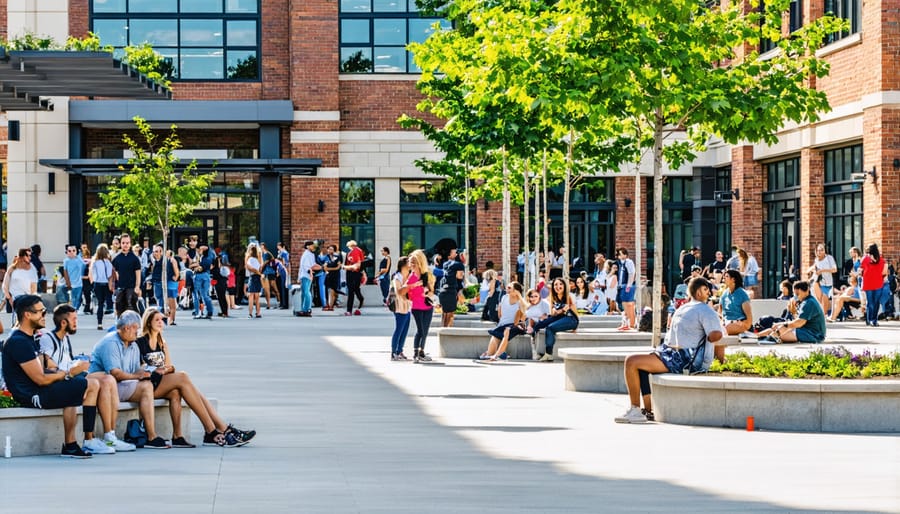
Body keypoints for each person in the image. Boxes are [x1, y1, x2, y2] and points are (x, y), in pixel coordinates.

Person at [1, 295, 108, 457]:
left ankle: (82, 441)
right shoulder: (18, 342)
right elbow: (40, 378)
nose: (45, 315)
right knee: (83, 384)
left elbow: (46, 369)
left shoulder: (31, 338)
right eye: (41, 312)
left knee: (84, 382)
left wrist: (65, 373)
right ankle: (74, 443)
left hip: (40, 388)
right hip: (32, 395)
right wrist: (68, 373)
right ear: (27, 315)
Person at [135, 308, 254, 447]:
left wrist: (165, 370)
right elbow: (140, 368)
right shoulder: (140, 342)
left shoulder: (162, 342)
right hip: (148, 385)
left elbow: (169, 366)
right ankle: (214, 430)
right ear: (148, 323)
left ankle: (178, 436)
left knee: (176, 392)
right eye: (157, 320)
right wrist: (160, 370)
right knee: (183, 377)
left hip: (162, 381)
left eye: (162, 320)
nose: (161, 323)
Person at [616, 277, 723, 424]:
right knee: (640, 367)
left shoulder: (701, 310)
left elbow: (715, 335)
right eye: (705, 289)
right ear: (698, 292)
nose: (708, 292)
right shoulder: (690, 309)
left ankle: (635, 409)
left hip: (687, 359)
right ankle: (647, 411)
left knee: (632, 361)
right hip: (675, 354)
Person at [38, 303, 136, 453]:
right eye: (74, 319)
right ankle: (89, 439)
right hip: (62, 378)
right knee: (95, 383)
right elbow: (49, 367)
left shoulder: (65, 338)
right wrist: (74, 369)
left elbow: (66, 361)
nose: (77, 322)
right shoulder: (48, 339)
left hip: (71, 374)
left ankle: (110, 435)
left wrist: (79, 363)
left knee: (108, 379)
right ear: (63, 322)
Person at [89, 310, 172, 449]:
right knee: (129, 383)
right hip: (104, 388)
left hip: (121, 386)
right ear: (127, 328)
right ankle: (110, 437)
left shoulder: (133, 344)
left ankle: (151, 436)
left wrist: (149, 371)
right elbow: (115, 374)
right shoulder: (111, 342)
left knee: (147, 386)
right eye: (136, 329)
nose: (137, 333)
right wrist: (138, 376)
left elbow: (135, 370)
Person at [531, 278, 579, 362]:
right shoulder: (553, 297)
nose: (558, 286)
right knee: (538, 325)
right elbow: (553, 313)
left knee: (550, 328)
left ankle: (548, 354)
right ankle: (534, 350)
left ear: (564, 286)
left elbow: (575, 312)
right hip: (559, 317)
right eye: (555, 284)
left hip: (571, 319)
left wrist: (576, 327)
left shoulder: (569, 296)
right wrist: (554, 311)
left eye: (560, 284)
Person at [478, 282, 526, 361]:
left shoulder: (521, 301)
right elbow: (500, 313)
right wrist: (502, 322)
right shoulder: (504, 297)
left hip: (514, 325)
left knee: (498, 333)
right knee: (496, 334)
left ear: (516, 290)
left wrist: (519, 296)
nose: (507, 289)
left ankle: (491, 354)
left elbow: (524, 315)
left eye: (510, 288)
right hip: (503, 324)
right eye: (507, 287)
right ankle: (495, 354)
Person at [717, 269, 752, 361]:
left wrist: (746, 325)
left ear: (733, 279)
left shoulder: (742, 294)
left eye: (727, 276)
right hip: (725, 322)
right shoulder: (724, 294)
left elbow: (748, 315)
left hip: (739, 323)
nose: (724, 278)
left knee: (720, 331)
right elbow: (720, 311)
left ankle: (720, 358)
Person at [408, 249, 435, 362]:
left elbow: (431, 291)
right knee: (420, 330)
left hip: (427, 306)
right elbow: (409, 295)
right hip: (417, 307)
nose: (412, 264)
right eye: (411, 262)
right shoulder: (411, 277)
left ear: (420, 262)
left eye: (414, 262)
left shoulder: (426, 275)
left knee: (425, 330)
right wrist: (416, 289)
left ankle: (421, 352)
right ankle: (415, 353)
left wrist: (427, 291)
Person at [3, 248, 38, 323]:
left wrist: (33, 300)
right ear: (21, 256)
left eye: (30, 255)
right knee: (18, 322)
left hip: (28, 299)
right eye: (27, 255)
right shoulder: (12, 268)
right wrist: (9, 299)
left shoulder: (32, 268)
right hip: (16, 299)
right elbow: (5, 285)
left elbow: (34, 286)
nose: (29, 257)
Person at [111, 233, 143, 317]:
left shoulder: (135, 259)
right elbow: (113, 274)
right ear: (120, 244)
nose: (125, 245)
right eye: (123, 243)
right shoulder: (116, 259)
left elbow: (138, 274)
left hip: (131, 287)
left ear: (130, 244)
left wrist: (137, 286)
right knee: (119, 309)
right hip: (120, 288)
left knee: (131, 308)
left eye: (127, 243)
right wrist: (112, 286)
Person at [149, 245, 180, 326]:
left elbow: (176, 271)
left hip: (167, 283)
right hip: (157, 283)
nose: (154, 253)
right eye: (154, 251)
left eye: (157, 251)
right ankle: (164, 320)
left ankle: (168, 320)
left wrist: (175, 278)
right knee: (160, 301)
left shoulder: (168, 260)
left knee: (168, 303)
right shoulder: (154, 260)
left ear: (161, 252)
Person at [859, 243, 888, 326]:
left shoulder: (866, 259)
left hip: (870, 283)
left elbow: (861, 270)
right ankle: (872, 320)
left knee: (871, 302)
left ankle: (871, 320)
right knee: (875, 302)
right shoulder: (882, 260)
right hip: (877, 283)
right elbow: (884, 273)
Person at [390, 257, 412, 361]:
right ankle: (394, 352)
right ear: (403, 265)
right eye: (408, 262)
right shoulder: (397, 277)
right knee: (399, 329)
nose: (410, 264)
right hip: (399, 307)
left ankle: (400, 351)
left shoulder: (409, 276)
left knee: (405, 330)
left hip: (407, 306)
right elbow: (399, 292)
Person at [89, 244, 114, 331]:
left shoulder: (95, 262)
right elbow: (109, 274)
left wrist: (93, 282)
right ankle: (110, 310)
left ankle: (99, 323)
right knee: (108, 300)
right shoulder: (108, 262)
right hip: (106, 284)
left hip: (97, 284)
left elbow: (92, 273)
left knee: (100, 303)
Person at [438, 248, 465, 327]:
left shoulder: (445, 264)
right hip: (451, 291)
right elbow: (459, 276)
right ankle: (447, 332)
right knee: (450, 315)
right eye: (454, 252)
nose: (456, 253)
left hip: (443, 290)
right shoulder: (459, 265)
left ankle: (443, 331)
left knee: (444, 314)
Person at [808, 243, 837, 316]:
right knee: (820, 299)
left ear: (825, 251)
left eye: (821, 250)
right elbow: (814, 268)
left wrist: (822, 270)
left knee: (824, 298)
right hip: (819, 281)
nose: (819, 252)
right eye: (818, 250)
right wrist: (812, 271)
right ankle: (823, 314)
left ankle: (825, 313)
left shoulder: (829, 258)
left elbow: (834, 269)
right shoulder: (816, 260)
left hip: (828, 282)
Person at [297, 240, 320, 317]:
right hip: (306, 275)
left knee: (306, 293)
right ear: (307, 246)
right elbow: (306, 265)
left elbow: (309, 265)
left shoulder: (309, 254)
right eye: (312, 245)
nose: (313, 247)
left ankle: (306, 309)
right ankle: (304, 309)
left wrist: (321, 267)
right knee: (305, 293)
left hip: (306, 275)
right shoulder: (307, 254)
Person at [616, 247, 637, 330]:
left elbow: (631, 273)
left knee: (628, 304)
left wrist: (629, 285)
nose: (621, 256)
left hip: (627, 285)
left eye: (622, 254)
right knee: (626, 305)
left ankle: (631, 323)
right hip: (622, 285)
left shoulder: (628, 262)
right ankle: (628, 323)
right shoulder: (620, 263)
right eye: (619, 254)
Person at [343, 240, 365, 316]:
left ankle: (349, 310)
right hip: (356, 274)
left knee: (351, 291)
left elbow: (357, 264)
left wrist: (345, 267)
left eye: (348, 247)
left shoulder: (355, 251)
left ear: (351, 246)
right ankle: (360, 302)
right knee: (356, 290)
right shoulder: (359, 251)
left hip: (353, 273)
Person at [61, 244, 85, 311]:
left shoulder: (78, 260)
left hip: (78, 283)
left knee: (77, 298)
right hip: (70, 283)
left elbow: (83, 265)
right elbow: (65, 271)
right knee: (72, 298)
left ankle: (75, 309)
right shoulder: (66, 260)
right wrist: (68, 282)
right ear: (67, 252)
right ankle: (73, 309)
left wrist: (79, 256)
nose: (71, 252)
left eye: (73, 251)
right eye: (69, 251)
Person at [244, 244, 263, 319]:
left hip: (252, 277)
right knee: (257, 297)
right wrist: (259, 273)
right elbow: (260, 268)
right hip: (258, 278)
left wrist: (256, 272)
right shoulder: (258, 259)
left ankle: (250, 313)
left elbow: (249, 268)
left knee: (251, 296)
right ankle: (258, 313)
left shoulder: (250, 259)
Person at [323, 244, 342, 311]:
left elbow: (338, 267)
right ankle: (328, 305)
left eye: (331, 249)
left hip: (335, 276)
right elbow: (325, 268)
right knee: (327, 291)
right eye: (328, 249)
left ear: (334, 250)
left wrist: (329, 269)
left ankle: (331, 306)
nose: (329, 250)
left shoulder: (337, 257)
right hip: (328, 276)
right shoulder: (326, 257)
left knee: (333, 291)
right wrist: (332, 268)